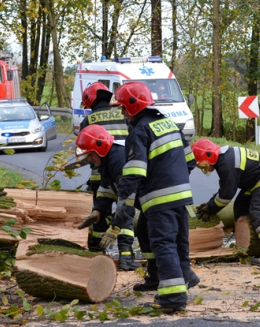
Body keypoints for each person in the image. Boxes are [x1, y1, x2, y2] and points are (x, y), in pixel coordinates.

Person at [114, 81, 198, 313]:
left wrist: (123, 200)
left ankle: (172, 300)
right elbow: (190, 161)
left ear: (132, 107)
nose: (122, 113)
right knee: (180, 244)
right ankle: (182, 284)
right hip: (182, 196)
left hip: (160, 199)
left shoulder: (139, 131)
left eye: (122, 108)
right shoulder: (170, 124)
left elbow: (135, 171)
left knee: (163, 244)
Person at [192, 138, 260, 266]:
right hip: (254, 180)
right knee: (240, 206)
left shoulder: (225, 164)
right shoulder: (223, 159)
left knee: (259, 211)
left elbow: (226, 196)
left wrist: (210, 209)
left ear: (209, 155)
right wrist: (211, 203)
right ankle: (246, 247)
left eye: (203, 165)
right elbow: (225, 188)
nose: (204, 168)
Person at [76, 82, 132, 254]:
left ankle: (98, 249)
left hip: (100, 172)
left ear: (89, 101)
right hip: (127, 166)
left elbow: (86, 149)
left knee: (101, 211)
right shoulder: (122, 114)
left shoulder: (89, 120)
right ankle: (126, 251)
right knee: (126, 206)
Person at [75, 125, 140, 271]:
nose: (90, 160)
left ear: (100, 149)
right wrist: (98, 210)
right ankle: (129, 260)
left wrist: (115, 227)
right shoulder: (107, 160)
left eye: (90, 155)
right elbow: (106, 190)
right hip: (136, 195)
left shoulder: (118, 159)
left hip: (147, 196)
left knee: (136, 220)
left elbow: (127, 197)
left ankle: (129, 259)